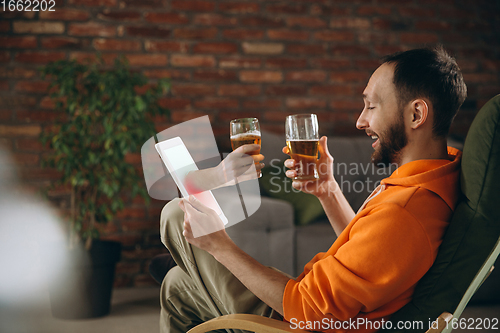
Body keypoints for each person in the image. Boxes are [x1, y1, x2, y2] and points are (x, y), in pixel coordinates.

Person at [158, 46, 467, 332]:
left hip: (298, 320)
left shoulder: (406, 210)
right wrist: (328, 190)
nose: (361, 121)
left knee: (177, 212)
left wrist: (219, 245)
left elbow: (306, 309)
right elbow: (376, 256)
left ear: (416, 114)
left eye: (371, 106)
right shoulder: (434, 175)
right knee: (176, 286)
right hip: (315, 302)